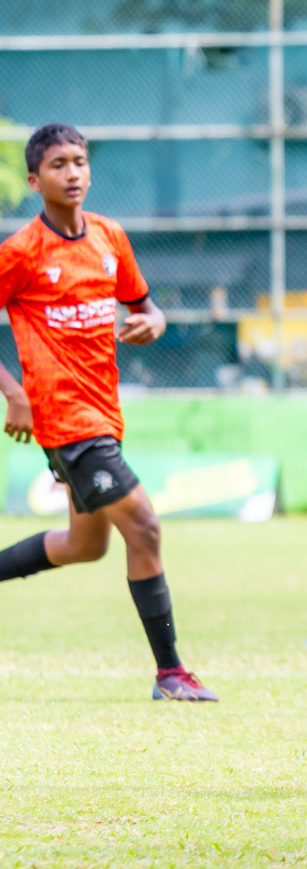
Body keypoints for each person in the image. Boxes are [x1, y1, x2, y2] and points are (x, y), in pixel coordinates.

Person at [0, 124, 218, 702]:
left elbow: (145, 308)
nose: (72, 173)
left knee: (85, 545)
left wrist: (155, 323)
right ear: (34, 180)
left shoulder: (109, 238)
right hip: (63, 417)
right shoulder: (21, 253)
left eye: (80, 161)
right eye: (58, 165)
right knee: (143, 525)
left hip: (104, 414)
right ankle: (170, 672)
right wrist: (14, 392)